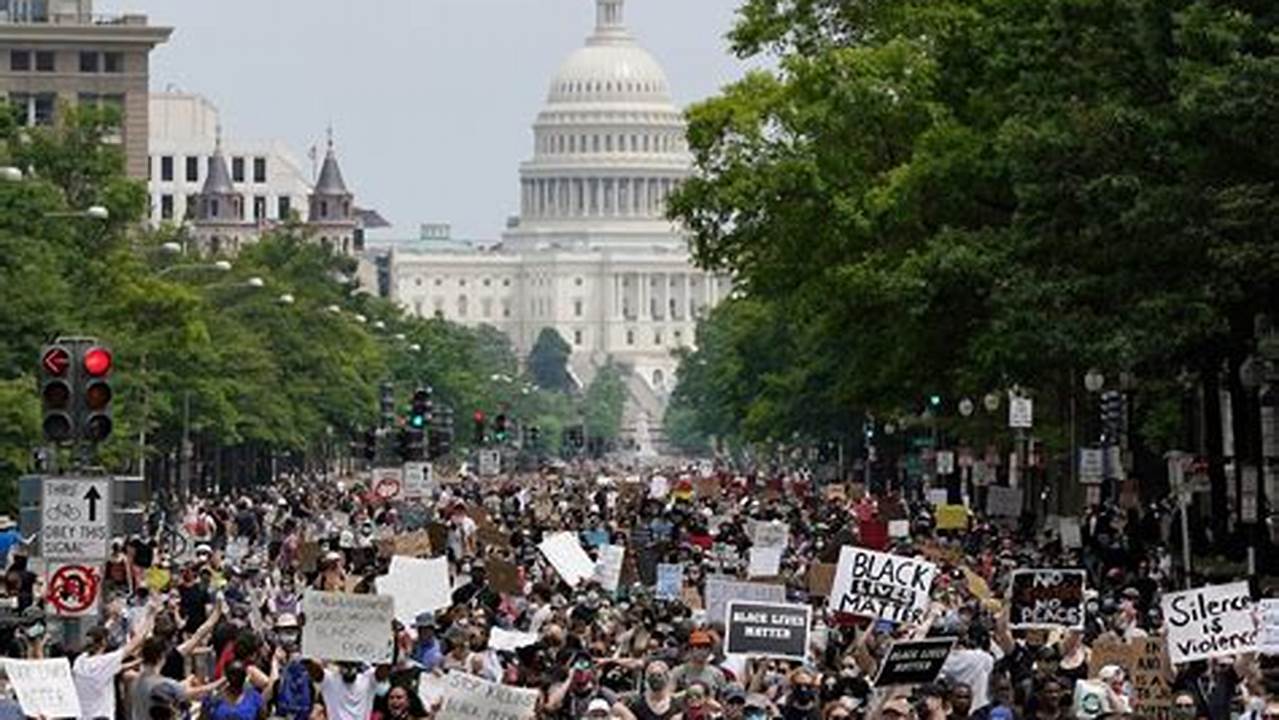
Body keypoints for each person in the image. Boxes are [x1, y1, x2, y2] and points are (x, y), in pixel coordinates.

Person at [73, 608, 153, 720]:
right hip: (101, 717)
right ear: (104, 642)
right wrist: (150, 615)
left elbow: (113, 669)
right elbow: (135, 642)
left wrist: (137, 662)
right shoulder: (105, 661)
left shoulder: (80, 661)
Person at [129, 636, 225, 720]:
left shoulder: (136, 679)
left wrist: (187, 680)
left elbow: (175, 688)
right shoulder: (163, 685)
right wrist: (217, 683)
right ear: (162, 656)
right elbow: (192, 692)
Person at [614, 660, 682, 720]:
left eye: (659, 675)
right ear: (648, 679)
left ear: (667, 678)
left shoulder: (676, 706)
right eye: (652, 675)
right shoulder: (637, 703)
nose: (656, 679)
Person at [202, 661, 268, 720]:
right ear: (226, 675)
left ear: (245, 676)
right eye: (232, 674)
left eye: (239, 674)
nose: (235, 678)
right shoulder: (213, 698)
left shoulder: (255, 698)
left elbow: (262, 716)